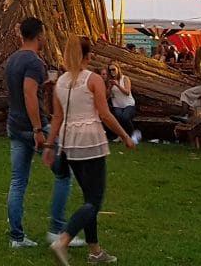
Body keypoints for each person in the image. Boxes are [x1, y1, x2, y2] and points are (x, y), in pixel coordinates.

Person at [45, 35, 135, 265]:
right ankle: (63, 240)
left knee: (88, 198)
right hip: (90, 140)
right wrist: (125, 135)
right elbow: (105, 114)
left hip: (70, 142)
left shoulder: (60, 82)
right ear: (86, 55)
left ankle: (95, 251)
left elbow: (57, 117)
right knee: (94, 200)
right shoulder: (93, 79)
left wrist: (49, 145)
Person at [4, 18, 79, 250]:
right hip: (32, 128)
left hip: (15, 125)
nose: (45, 39)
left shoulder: (12, 60)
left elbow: (22, 91)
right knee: (64, 173)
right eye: (44, 35)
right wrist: (38, 129)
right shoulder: (34, 62)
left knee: (18, 181)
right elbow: (28, 94)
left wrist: (44, 86)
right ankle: (57, 230)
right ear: (38, 36)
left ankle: (17, 237)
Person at [105, 63, 135, 137]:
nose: (112, 71)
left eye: (113, 69)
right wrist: (110, 87)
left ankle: (132, 135)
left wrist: (117, 85)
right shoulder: (109, 81)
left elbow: (127, 92)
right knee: (118, 116)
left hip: (129, 104)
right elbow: (107, 96)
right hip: (117, 105)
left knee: (124, 117)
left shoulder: (125, 78)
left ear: (118, 69)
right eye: (110, 70)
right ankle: (122, 136)